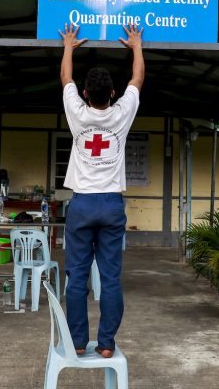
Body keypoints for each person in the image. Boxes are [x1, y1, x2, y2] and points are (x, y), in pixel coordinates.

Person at [59, 21, 144, 358]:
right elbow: (137, 80)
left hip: (80, 206)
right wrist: (136, 45)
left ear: (85, 94)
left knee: (77, 278)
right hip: (111, 206)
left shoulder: (77, 114)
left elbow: (66, 78)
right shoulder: (122, 113)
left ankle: (78, 343)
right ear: (112, 94)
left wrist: (68, 46)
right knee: (110, 278)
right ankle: (106, 344)